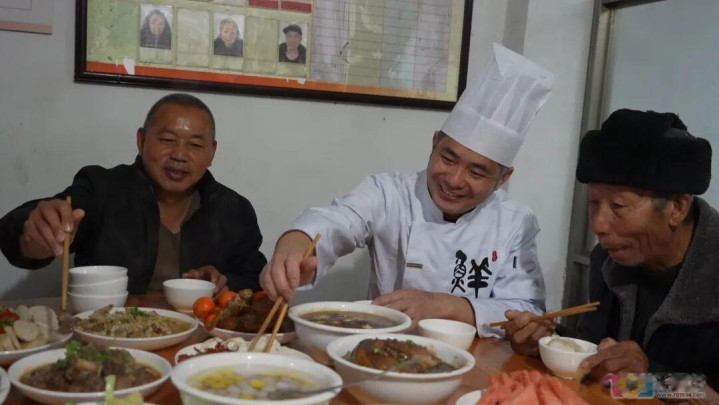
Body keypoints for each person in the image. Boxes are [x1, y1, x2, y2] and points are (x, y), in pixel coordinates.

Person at [261, 44, 554, 336]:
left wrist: (445, 305)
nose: (454, 180)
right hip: (384, 346)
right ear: (434, 143)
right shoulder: (390, 193)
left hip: (479, 357)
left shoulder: (516, 223)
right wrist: (296, 242)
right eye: (447, 159)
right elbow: (338, 220)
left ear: (503, 179)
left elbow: (526, 309)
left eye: (476, 172)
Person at [503, 109, 719, 391]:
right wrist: (546, 342)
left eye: (618, 206)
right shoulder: (608, 259)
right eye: (594, 203)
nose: (598, 225)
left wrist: (650, 378)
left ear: (676, 207)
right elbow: (599, 361)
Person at [0, 94, 267, 295]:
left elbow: (255, 278)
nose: (179, 155)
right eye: (167, 140)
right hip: (109, 336)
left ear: (212, 153)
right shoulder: (101, 189)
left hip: (199, 343)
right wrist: (35, 235)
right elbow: (15, 230)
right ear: (141, 141)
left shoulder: (234, 209)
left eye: (195, 145)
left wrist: (223, 283)